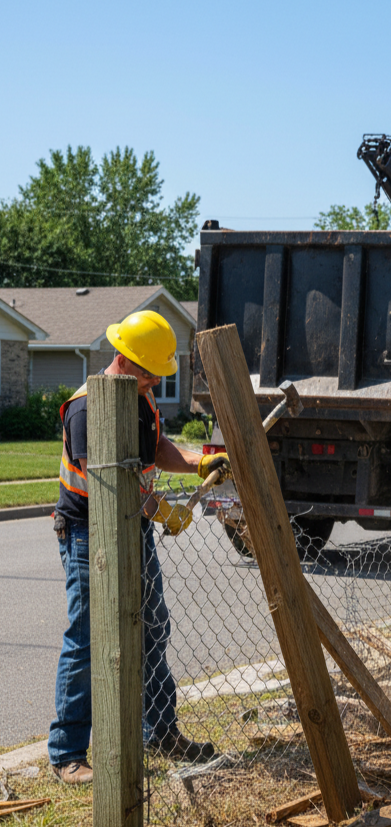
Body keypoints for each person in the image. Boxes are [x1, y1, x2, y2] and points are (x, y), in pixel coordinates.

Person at [48, 311, 232, 785]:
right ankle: (67, 752)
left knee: (153, 627)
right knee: (87, 637)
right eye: (152, 373)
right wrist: (162, 511)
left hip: (134, 528)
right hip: (88, 531)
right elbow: (110, 486)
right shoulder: (88, 408)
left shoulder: (140, 397)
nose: (156, 381)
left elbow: (155, 450)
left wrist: (197, 461)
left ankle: (161, 731)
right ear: (126, 361)